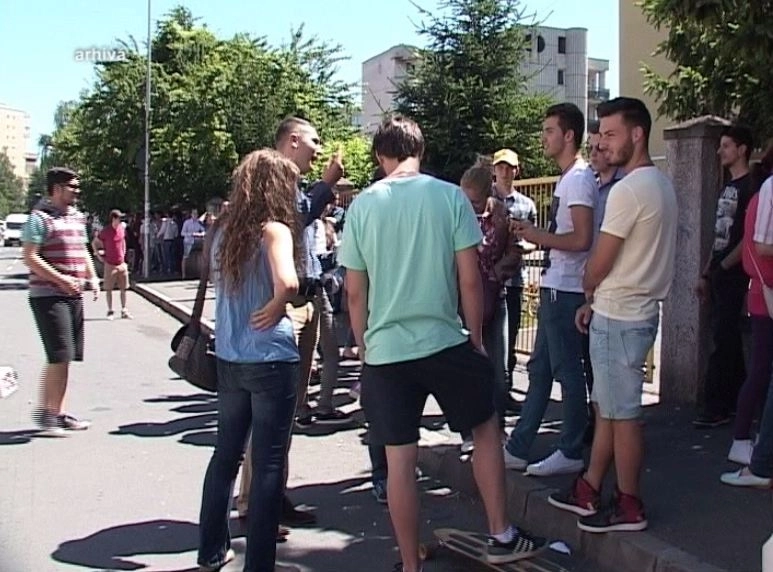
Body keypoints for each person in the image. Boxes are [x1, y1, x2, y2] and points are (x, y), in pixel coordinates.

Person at [340, 115, 545, 572]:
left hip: (387, 351)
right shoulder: (450, 196)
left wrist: (363, 345)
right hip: (444, 340)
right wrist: (475, 336)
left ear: (380, 156)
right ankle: (501, 532)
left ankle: (411, 564)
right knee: (485, 429)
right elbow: (469, 279)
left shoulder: (362, 206)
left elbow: (356, 290)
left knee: (399, 463)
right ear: (422, 151)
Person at [548, 97, 678, 533]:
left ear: (637, 134)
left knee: (622, 416)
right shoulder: (660, 184)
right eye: (600, 134)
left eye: (610, 133)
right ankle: (588, 488)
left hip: (621, 316)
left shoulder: (627, 190)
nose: (602, 142)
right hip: (629, 310)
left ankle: (629, 505)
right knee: (609, 410)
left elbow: (598, 263)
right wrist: (592, 301)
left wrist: (588, 287)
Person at [197, 149, 301, 572]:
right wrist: (278, 305)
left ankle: (210, 551)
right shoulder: (274, 229)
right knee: (269, 464)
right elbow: (289, 281)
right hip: (271, 357)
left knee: (226, 456)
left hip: (230, 355)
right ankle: (260, 564)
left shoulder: (221, 230)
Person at [503, 103, 597, 477]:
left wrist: (535, 236)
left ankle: (570, 448)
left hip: (566, 288)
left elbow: (582, 237)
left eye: (549, 130)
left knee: (566, 371)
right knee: (541, 368)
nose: (543, 137)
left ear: (569, 135)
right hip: (557, 285)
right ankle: (519, 445)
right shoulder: (571, 177)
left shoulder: (576, 179)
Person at [21, 167, 100, 436]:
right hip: (48, 296)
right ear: (56, 189)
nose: (77, 191)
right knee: (59, 355)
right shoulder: (39, 219)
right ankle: (48, 416)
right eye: (72, 187)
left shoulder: (77, 217)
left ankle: (57, 412)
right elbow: (30, 256)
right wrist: (61, 279)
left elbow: (82, 250)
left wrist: (93, 277)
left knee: (64, 358)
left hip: (73, 294)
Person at [693, 125, 756, 428]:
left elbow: (749, 237)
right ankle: (739, 400)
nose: (720, 152)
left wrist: (725, 267)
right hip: (719, 272)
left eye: (727, 146)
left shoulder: (751, 188)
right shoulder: (725, 187)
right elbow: (719, 237)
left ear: (742, 149)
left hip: (735, 275)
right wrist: (707, 271)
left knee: (723, 339)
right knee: (726, 339)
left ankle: (717, 406)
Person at [721, 146, 773, 474]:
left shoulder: (758, 196)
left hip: (763, 291)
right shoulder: (764, 197)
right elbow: (757, 249)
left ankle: (746, 440)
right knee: (761, 370)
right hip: (765, 293)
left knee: (762, 370)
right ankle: (742, 439)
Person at [92, 209, 132, 320]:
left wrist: (124, 252)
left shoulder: (121, 229)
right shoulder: (106, 231)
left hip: (121, 263)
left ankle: (124, 310)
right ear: (114, 219)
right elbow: (94, 243)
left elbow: (123, 240)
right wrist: (99, 256)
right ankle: (110, 311)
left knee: (124, 288)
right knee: (109, 289)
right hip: (110, 264)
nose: (121, 220)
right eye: (119, 218)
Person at [181, 209, 206, 280]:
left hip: (197, 241)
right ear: (191, 214)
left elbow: (204, 231)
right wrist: (191, 234)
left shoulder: (199, 223)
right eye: (194, 214)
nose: (195, 215)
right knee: (185, 257)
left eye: (196, 214)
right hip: (188, 241)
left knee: (200, 256)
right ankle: (183, 274)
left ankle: (198, 273)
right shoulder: (187, 222)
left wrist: (201, 234)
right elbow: (182, 233)